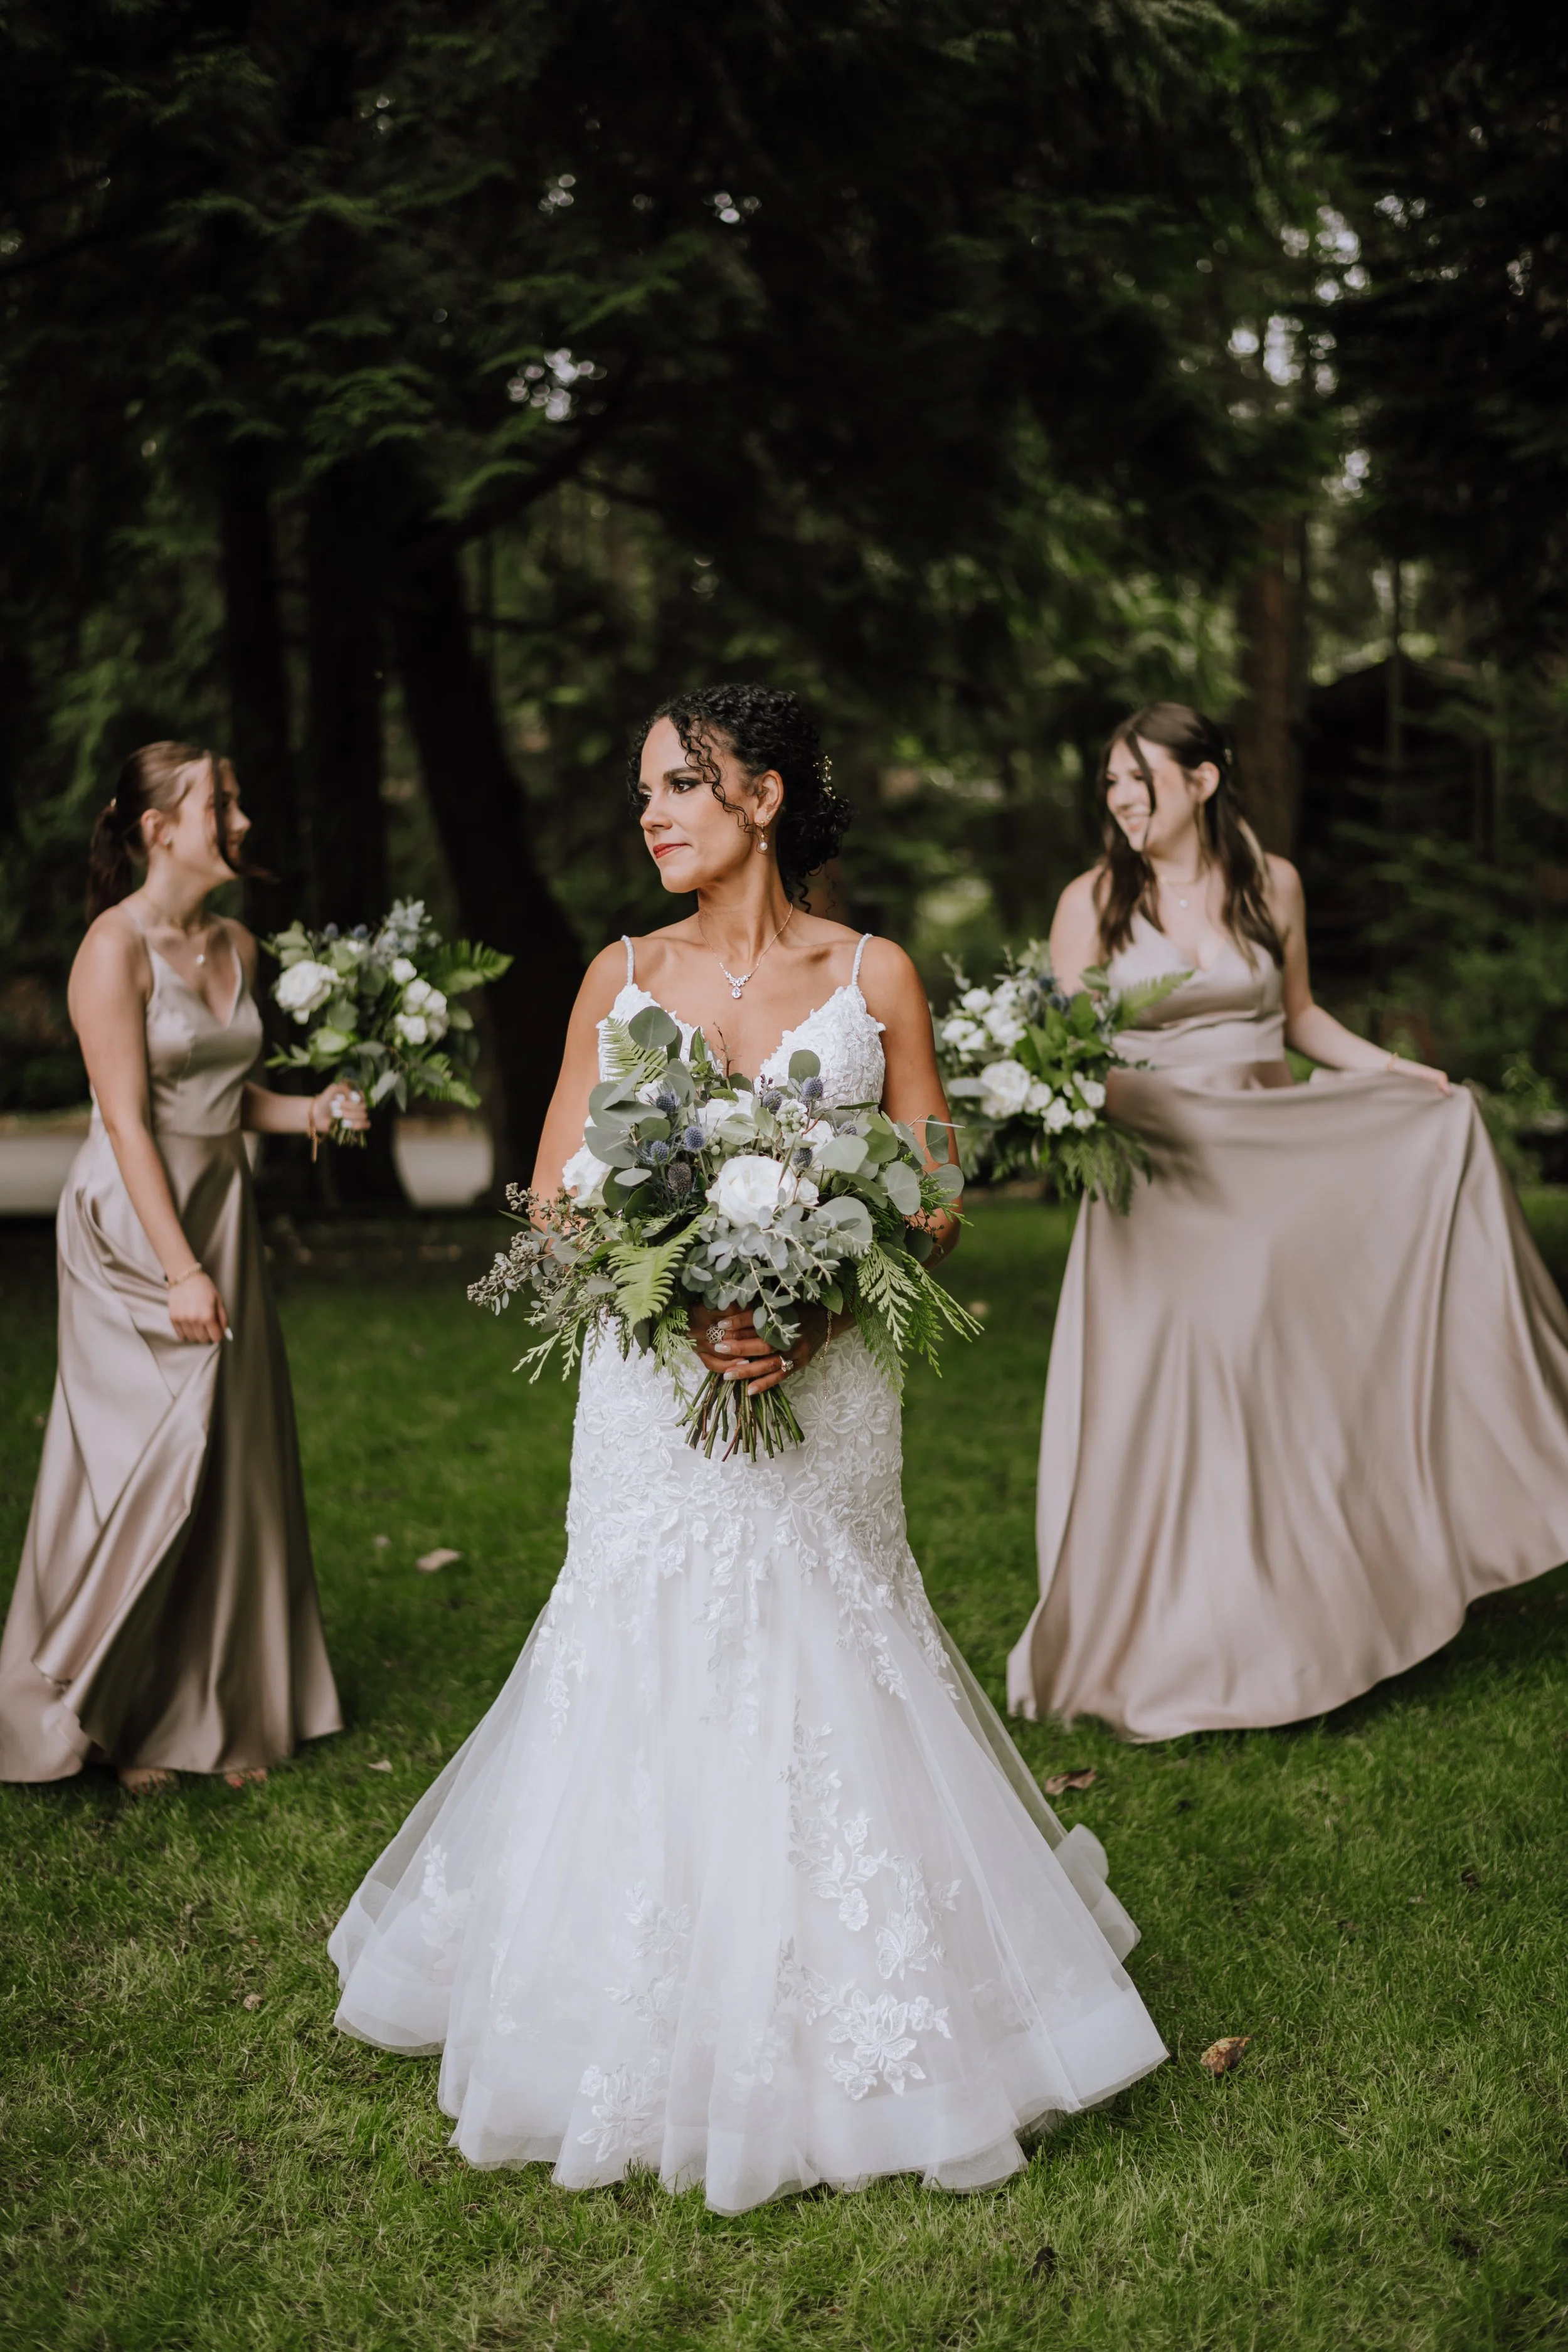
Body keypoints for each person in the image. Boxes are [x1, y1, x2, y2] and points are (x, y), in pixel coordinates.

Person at [329, 684, 1165, 2214]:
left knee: (829, 1641)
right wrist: (681, 1305)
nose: (649, 814)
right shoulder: (616, 975)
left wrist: (811, 1311)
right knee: (643, 1628)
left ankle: (862, 2005)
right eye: (643, 792)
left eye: (680, 786)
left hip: (827, 1385)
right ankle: (621, 2000)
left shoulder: (874, 975)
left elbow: (927, 1192)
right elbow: (555, 1202)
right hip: (649, 1391)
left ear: (764, 798)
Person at [1007, 700, 1568, 1743]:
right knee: (1188, 1387)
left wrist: (1404, 1076)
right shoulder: (1090, 901)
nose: (1123, 800)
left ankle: (1303, 1626)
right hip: (1159, 1177)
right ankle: (1179, 1639)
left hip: (1269, 1164)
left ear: (1205, 780)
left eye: (1142, 779)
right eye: (1113, 785)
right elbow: (1061, 1046)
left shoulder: (1274, 883)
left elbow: (1299, 1018)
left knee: (1275, 1384)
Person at [0, 742, 365, 1793]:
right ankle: (87, 1708)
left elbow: (226, 1098)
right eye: (224, 802)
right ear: (160, 827)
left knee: (225, 1457)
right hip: (136, 1225)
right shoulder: (111, 950)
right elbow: (125, 1118)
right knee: (138, 1460)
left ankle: (192, 1709)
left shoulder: (237, 942)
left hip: (222, 1213)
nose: (242, 819)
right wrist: (177, 1268)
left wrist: (315, 1111)